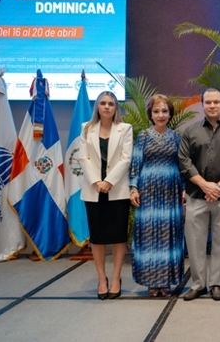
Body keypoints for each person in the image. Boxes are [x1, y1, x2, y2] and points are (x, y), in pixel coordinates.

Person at [178, 88, 220, 301]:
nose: (213, 105)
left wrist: (219, 186)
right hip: (196, 195)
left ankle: (217, 284)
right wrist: (205, 185)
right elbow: (184, 161)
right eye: (208, 102)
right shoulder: (190, 131)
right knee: (195, 242)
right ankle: (198, 284)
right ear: (203, 104)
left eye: (216, 102)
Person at [129, 94, 185, 298]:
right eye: (156, 111)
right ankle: (152, 282)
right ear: (150, 114)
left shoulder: (176, 137)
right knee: (149, 235)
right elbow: (135, 163)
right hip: (148, 190)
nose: (160, 115)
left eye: (164, 111)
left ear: (170, 114)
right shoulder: (143, 136)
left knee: (169, 234)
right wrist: (133, 188)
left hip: (171, 190)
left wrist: (185, 188)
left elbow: (182, 165)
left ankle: (166, 281)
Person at [80, 91, 133, 300]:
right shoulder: (86, 128)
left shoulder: (125, 128)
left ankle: (116, 277)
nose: (107, 107)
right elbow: (83, 158)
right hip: (93, 190)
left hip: (117, 190)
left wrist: (109, 181)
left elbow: (126, 158)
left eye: (111, 103)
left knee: (119, 237)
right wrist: (97, 182)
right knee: (98, 238)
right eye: (103, 103)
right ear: (97, 107)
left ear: (116, 107)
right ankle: (102, 279)